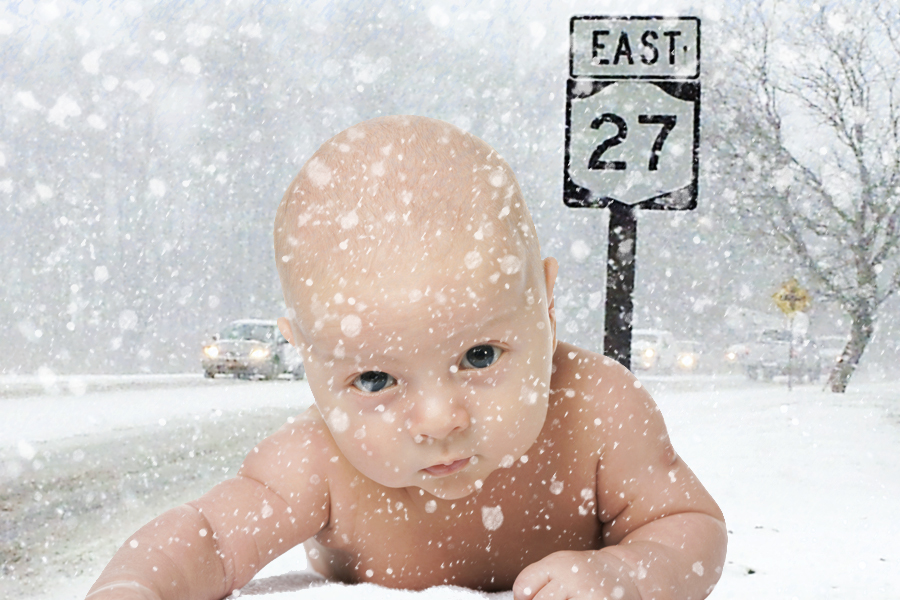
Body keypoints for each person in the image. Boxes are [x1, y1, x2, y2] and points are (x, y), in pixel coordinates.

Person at [87, 115, 726, 600]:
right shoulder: (314, 463)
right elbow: (207, 538)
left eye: (479, 356)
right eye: (374, 378)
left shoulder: (597, 411)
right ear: (306, 358)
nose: (439, 418)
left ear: (547, 306)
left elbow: (688, 525)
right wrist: (135, 588)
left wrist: (628, 574)